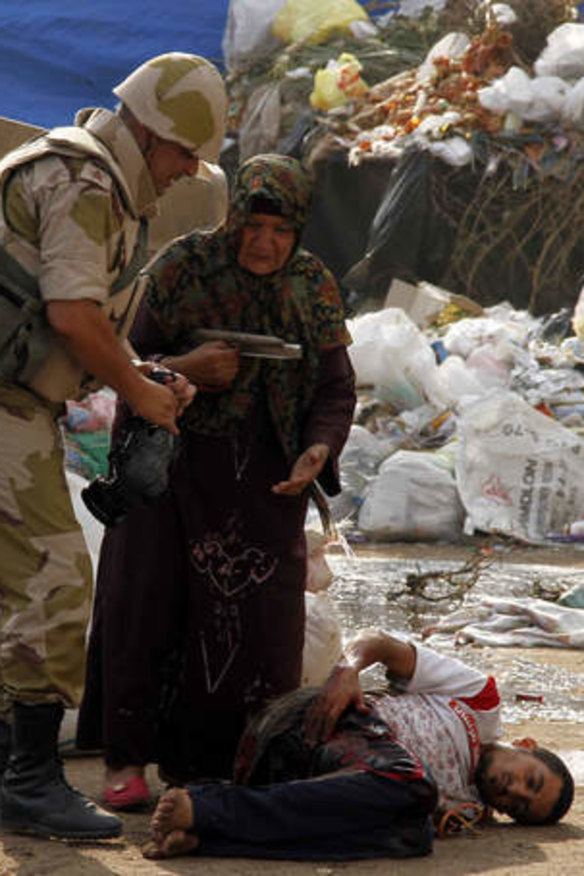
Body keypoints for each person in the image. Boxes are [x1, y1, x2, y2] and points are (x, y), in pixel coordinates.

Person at [76, 153, 357, 809]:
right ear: (234, 220)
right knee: (147, 602)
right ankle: (127, 759)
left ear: (299, 232)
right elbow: (124, 362)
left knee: (255, 625)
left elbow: (335, 388)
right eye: (254, 226)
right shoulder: (183, 267)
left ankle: (232, 761)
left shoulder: (312, 287)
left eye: (281, 231)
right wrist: (186, 366)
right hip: (172, 463)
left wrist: (317, 448)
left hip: (264, 480)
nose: (265, 243)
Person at [0, 52, 227, 840]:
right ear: (151, 132)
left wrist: (146, 374)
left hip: (21, 401)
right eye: (184, 155)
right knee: (56, 578)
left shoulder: (103, 188)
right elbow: (71, 315)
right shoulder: (84, 182)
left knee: (13, 591)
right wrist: (139, 394)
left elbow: (80, 323)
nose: (186, 173)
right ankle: (28, 779)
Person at [142, 629, 575, 861]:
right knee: (411, 788)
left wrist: (438, 813)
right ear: (527, 745)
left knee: (415, 837)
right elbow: (382, 643)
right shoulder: (479, 701)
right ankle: (211, 804)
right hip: (314, 722)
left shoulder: (469, 809)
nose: (513, 793)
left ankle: (210, 836)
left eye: (516, 808)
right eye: (530, 782)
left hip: (292, 782)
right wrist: (348, 668)